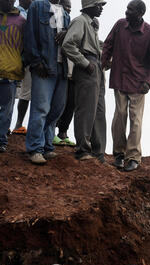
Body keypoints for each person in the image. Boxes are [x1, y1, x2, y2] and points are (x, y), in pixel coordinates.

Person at [102, 0, 150, 172]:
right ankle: (119, 155)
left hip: (139, 83)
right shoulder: (120, 25)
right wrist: (103, 63)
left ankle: (133, 157)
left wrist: (149, 82)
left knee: (135, 119)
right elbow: (108, 44)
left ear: (140, 13)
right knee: (119, 116)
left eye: (130, 10)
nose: (126, 12)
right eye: (127, 8)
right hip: (120, 78)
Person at [24, 0, 70, 164]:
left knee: (57, 109)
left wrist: (67, 33)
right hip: (44, 65)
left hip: (61, 67)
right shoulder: (37, 6)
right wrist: (36, 62)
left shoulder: (65, 14)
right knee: (41, 108)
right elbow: (29, 36)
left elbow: (69, 42)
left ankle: (47, 146)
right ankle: (35, 148)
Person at [62, 0, 107, 163]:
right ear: (90, 5)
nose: (101, 8)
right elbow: (68, 45)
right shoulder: (80, 21)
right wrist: (84, 63)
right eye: (99, 5)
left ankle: (98, 151)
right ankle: (83, 149)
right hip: (88, 66)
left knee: (99, 111)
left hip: (96, 66)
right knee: (86, 110)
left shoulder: (92, 24)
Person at [0, 0, 25, 153]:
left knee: (6, 109)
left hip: (10, 72)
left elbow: (27, 46)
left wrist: (21, 64)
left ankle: (0, 140)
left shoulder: (22, 21)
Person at [52, 0, 76, 147]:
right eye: (66, 6)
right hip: (62, 70)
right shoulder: (56, 22)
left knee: (70, 105)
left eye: (70, 7)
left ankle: (63, 133)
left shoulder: (72, 25)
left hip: (74, 73)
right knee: (57, 104)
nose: (68, 9)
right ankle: (51, 133)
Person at [11, 0, 32, 136]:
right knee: (9, 92)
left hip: (28, 58)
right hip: (13, 56)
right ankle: (9, 124)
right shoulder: (15, 13)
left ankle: (19, 124)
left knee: (25, 92)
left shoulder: (32, 13)